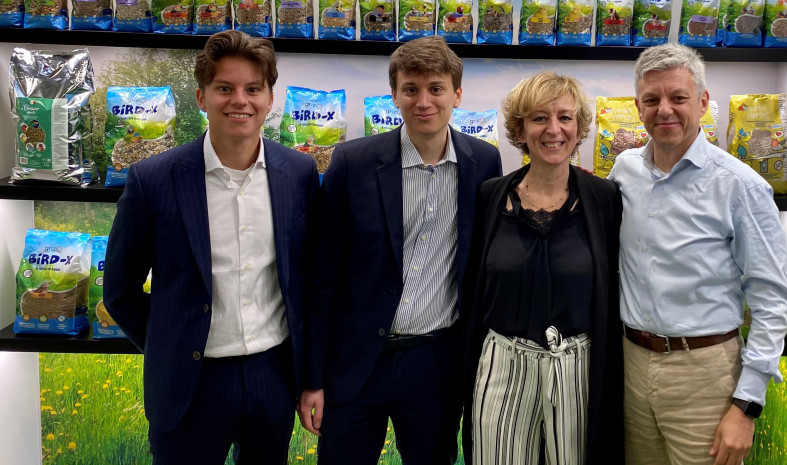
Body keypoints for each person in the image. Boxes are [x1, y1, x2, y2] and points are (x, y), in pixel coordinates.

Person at [103, 30, 319, 464]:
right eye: (225, 88)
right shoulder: (154, 179)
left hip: (271, 375)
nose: (240, 100)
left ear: (269, 98)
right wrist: (171, 342)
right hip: (190, 381)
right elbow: (120, 290)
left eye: (253, 89)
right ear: (202, 97)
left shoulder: (298, 172)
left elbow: (309, 279)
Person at [302, 35, 502, 465]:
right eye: (411, 89)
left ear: (457, 95)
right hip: (356, 364)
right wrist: (312, 378)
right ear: (394, 95)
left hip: (435, 364)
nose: (423, 101)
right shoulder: (352, 162)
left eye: (436, 88)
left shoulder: (483, 164)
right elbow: (322, 278)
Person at [607, 43, 787, 465]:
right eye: (652, 100)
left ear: (704, 102)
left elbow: (772, 301)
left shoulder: (739, 186)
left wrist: (746, 406)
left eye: (678, 97)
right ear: (638, 107)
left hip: (706, 375)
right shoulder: (624, 170)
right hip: (632, 364)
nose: (665, 110)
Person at [462, 71, 623, 465]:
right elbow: (471, 289)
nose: (554, 130)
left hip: (575, 368)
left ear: (580, 127)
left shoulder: (605, 200)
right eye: (539, 118)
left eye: (565, 118)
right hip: (502, 363)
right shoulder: (490, 196)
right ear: (520, 129)